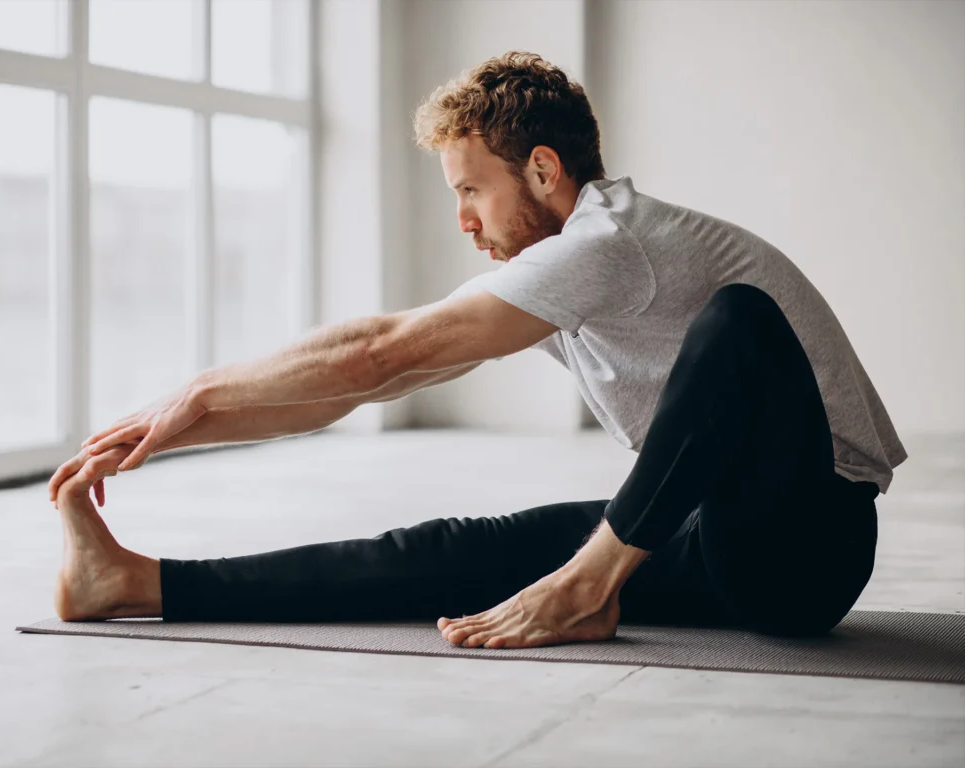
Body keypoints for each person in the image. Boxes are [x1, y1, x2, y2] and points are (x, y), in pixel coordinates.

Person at [46, 51, 907, 649]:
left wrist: (201, 388)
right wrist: (155, 441)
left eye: (471, 191)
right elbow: (365, 384)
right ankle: (132, 583)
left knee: (741, 321)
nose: (463, 221)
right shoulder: (565, 271)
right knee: (460, 547)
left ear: (542, 171)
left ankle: (584, 588)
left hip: (809, 547)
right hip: (712, 539)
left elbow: (376, 350)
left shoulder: (611, 241)